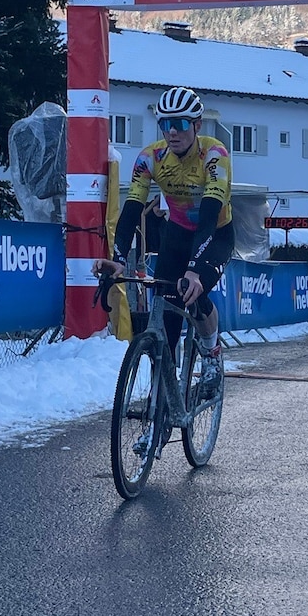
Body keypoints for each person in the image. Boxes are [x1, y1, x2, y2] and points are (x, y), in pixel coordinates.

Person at [93, 86, 234, 395]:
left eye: (180, 124)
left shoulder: (214, 155)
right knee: (166, 322)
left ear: (196, 125)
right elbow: (131, 209)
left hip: (215, 236)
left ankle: (211, 354)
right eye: (165, 124)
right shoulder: (151, 157)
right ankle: (162, 403)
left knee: (192, 293)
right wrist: (118, 259)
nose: (172, 131)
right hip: (178, 235)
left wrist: (195, 270)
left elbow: (209, 214)